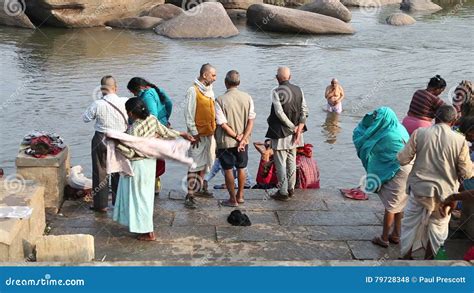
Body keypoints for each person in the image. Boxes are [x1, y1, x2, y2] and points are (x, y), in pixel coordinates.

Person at [398, 105, 473, 260]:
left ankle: (406, 258)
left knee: (410, 226)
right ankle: (429, 261)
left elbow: (402, 159)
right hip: (446, 196)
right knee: (437, 229)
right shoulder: (460, 140)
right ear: (453, 121)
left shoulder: (420, 133)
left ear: (436, 118)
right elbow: (467, 172)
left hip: (419, 190)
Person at [113, 98, 194, 241]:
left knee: (139, 198)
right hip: (150, 164)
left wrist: (117, 144)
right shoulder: (152, 119)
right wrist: (182, 133)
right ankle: (145, 228)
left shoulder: (133, 129)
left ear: (131, 113)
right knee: (146, 197)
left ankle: (147, 232)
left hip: (138, 165)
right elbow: (166, 132)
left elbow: (131, 153)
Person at [353, 107, 412, 248]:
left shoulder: (386, 135)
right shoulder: (400, 128)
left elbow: (369, 148)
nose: (375, 120)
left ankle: (384, 238)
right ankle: (396, 234)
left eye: (377, 117)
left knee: (390, 206)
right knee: (400, 204)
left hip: (398, 171)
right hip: (409, 169)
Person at [82, 76, 128, 213]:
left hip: (101, 138)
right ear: (116, 87)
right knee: (119, 171)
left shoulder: (98, 104)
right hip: (120, 138)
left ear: (102, 89)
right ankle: (120, 203)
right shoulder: (125, 101)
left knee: (100, 171)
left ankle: (101, 205)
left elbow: (85, 118)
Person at [266, 66, 308, 201]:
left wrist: (292, 127)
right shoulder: (299, 89)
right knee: (291, 160)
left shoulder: (276, 91)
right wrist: (299, 128)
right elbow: (304, 110)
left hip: (281, 132)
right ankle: (291, 189)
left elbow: (279, 113)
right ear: (290, 77)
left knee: (281, 163)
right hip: (296, 133)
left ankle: (283, 192)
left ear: (277, 78)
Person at [214, 70, 255, 207]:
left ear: (226, 83)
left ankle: (232, 199)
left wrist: (236, 136)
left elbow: (223, 124)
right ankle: (241, 196)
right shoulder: (248, 97)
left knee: (228, 169)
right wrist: (243, 138)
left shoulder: (219, 100)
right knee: (241, 167)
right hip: (243, 141)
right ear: (239, 83)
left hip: (226, 141)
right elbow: (251, 121)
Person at [127, 77, 173, 196]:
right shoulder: (156, 90)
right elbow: (169, 103)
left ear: (138, 88)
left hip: (153, 131)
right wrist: (166, 119)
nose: (134, 95)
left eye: (133, 92)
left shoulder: (147, 96)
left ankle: (149, 186)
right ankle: (155, 186)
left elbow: (152, 114)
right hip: (161, 125)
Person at [183, 63, 218, 209]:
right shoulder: (193, 90)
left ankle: (201, 187)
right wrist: (194, 134)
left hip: (209, 134)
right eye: (213, 75)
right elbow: (188, 114)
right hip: (197, 135)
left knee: (205, 162)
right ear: (205, 75)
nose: (215, 78)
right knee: (194, 164)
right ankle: (190, 194)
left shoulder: (210, 90)